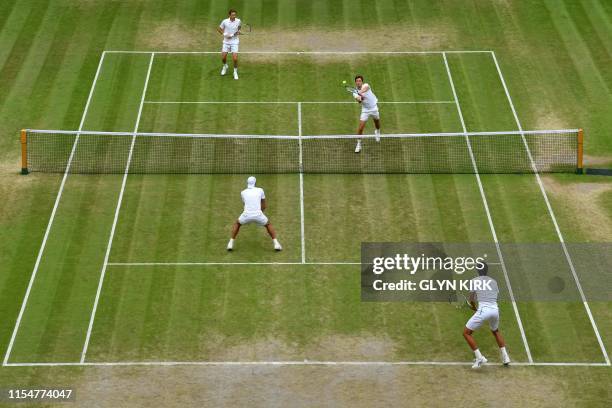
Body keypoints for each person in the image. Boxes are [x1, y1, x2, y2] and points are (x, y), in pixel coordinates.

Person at [463, 263, 511, 369]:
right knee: (495, 331)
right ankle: (506, 358)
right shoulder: (494, 282)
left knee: (466, 333)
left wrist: (473, 306)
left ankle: (479, 357)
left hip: (483, 311)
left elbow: (471, 299)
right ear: (486, 270)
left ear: (477, 270)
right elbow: (494, 297)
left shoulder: (474, 281)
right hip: (495, 310)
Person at [227, 176, 282, 251]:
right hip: (258, 214)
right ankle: (276, 244)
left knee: (237, 224)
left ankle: (230, 244)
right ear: (255, 183)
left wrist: (249, 217)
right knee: (268, 224)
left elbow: (245, 203)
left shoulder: (243, 192)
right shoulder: (260, 190)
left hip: (246, 214)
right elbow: (264, 206)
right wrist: (259, 215)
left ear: (247, 183)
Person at [352, 75, 381, 153]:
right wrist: (360, 97)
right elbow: (359, 101)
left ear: (362, 82)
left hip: (374, 108)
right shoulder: (354, 93)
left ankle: (377, 132)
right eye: (357, 81)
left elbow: (365, 89)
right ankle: (358, 144)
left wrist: (359, 92)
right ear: (355, 82)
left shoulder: (366, 85)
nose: (358, 82)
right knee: (361, 128)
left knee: (377, 123)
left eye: (360, 81)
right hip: (365, 110)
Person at [217, 9, 241, 80]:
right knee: (223, 58)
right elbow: (219, 29)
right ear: (229, 15)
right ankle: (225, 66)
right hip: (226, 42)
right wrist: (225, 34)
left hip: (235, 42)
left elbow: (239, 28)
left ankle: (235, 72)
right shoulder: (225, 21)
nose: (234, 16)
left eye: (235, 15)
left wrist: (237, 32)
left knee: (235, 59)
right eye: (233, 15)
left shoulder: (238, 21)